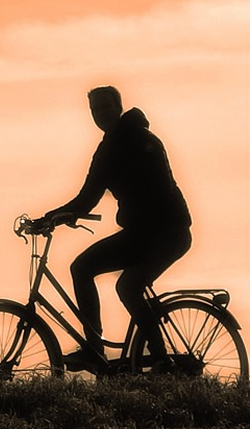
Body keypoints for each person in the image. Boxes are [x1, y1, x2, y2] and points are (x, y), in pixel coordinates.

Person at [39, 86, 192, 371]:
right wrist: (53, 216)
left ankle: (160, 359)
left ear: (118, 107)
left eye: (106, 108)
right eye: (95, 110)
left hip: (168, 232)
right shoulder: (109, 147)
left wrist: (59, 215)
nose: (101, 114)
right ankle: (95, 350)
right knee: (82, 268)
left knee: (128, 286)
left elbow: (158, 190)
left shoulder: (141, 142)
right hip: (141, 233)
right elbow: (88, 196)